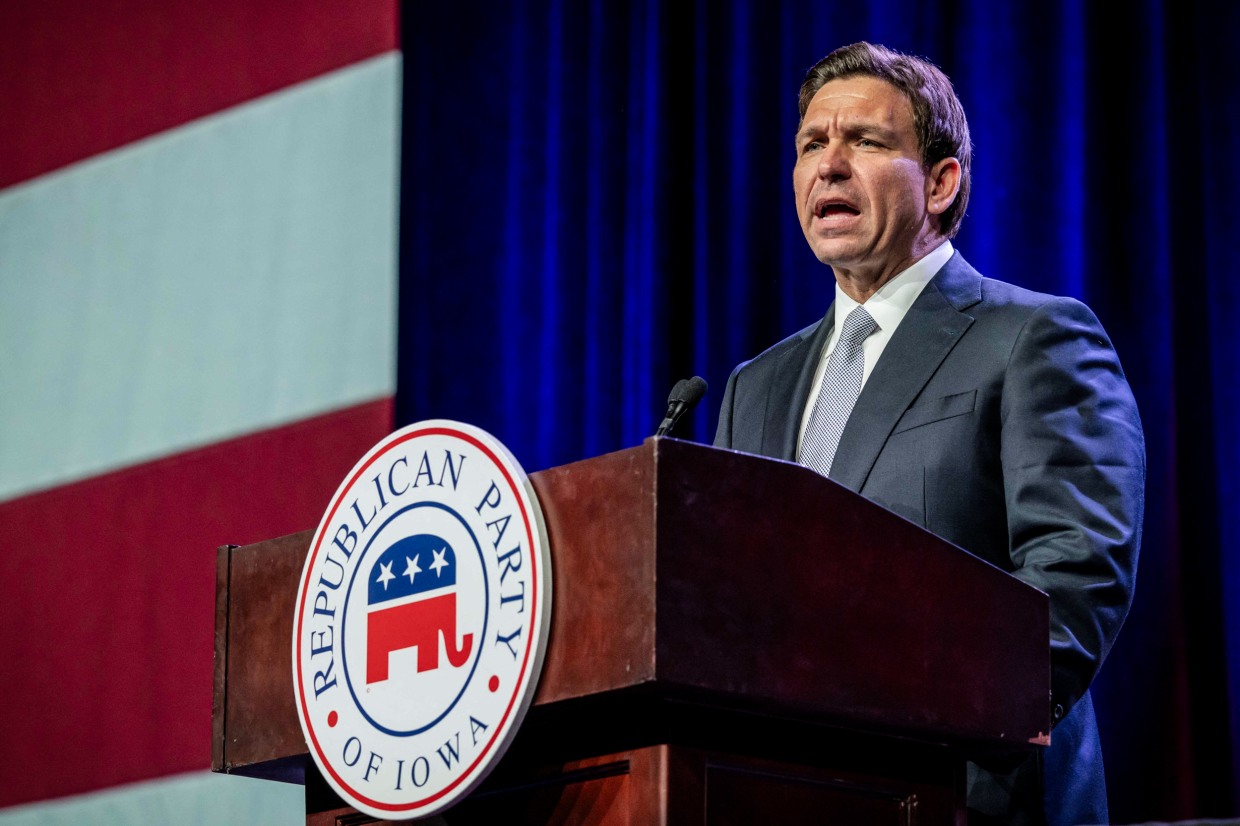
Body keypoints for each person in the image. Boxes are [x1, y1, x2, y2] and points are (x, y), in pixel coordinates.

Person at [713, 42, 1144, 826]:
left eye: (865, 141)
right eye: (811, 144)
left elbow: (1071, 587)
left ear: (941, 183)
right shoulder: (754, 388)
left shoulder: (1034, 339)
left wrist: (899, 727)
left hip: (964, 797)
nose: (828, 166)